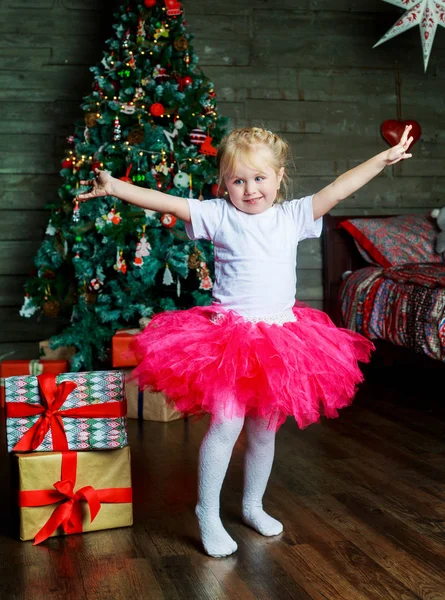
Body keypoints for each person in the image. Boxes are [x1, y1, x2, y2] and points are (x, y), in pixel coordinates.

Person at [78, 125, 413, 558]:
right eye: (238, 180)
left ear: (278, 176)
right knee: (226, 424)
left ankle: (253, 504)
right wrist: (115, 186)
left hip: (281, 339)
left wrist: (381, 160)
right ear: (225, 184)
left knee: (264, 429)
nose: (250, 189)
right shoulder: (218, 214)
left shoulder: (293, 216)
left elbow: (338, 188)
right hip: (228, 340)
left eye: (259, 178)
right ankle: (208, 512)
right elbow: (165, 201)